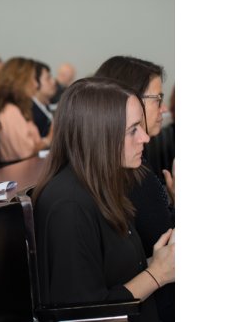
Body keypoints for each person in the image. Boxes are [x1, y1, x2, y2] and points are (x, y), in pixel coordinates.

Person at [33, 77, 175, 322]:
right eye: (133, 130)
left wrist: (158, 259)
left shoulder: (101, 185)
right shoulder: (68, 206)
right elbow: (85, 312)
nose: (145, 138)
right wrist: (157, 274)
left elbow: (112, 274)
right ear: (99, 135)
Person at [95, 55, 174, 322]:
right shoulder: (133, 173)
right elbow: (168, 250)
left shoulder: (131, 165)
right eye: (158, 99)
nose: (163, 110)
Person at [0, 57, 52, 163]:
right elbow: (27, 152)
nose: (36, 85)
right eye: (32, 79)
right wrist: (50, 138)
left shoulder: (19, 109)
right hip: (20, 173)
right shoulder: (10, 111)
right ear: (20, 81)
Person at [31, 61, 56, 137]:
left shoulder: (45, 105)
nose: (53, 81)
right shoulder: (30, 112)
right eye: (48, 78)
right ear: (35, 82)